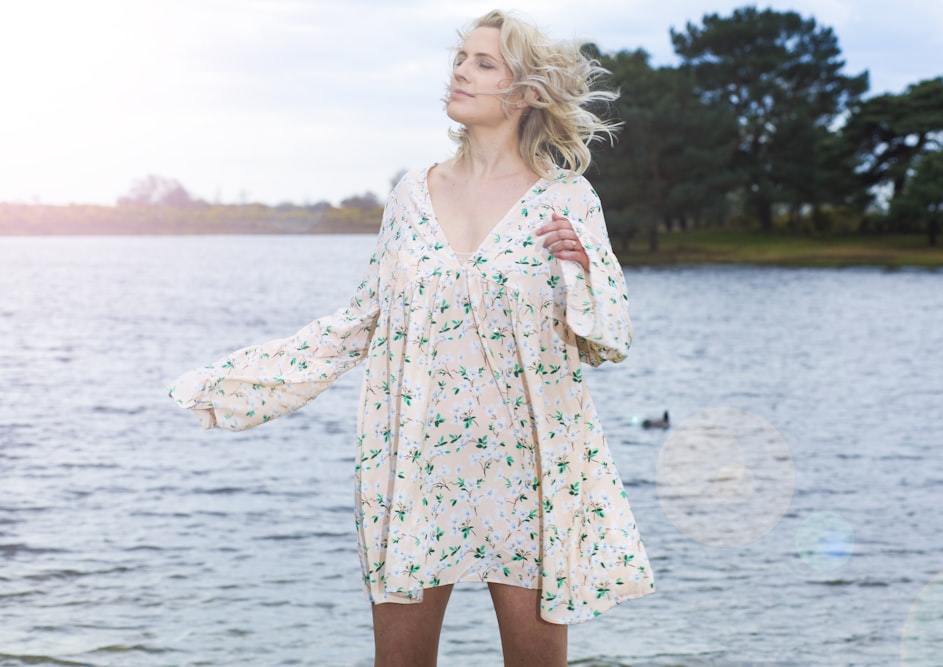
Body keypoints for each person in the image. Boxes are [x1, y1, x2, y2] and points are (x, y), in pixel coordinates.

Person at [168, 9, 654, 666]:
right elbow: (360, 321)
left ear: (527, 93)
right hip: (415, 461)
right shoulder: (411, 195)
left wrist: (587, 274)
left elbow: (611, 335)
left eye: (484, 62)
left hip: (530, 466)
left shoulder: (567, 199)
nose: (460, 69)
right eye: (460, 57)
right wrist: (243, 384)